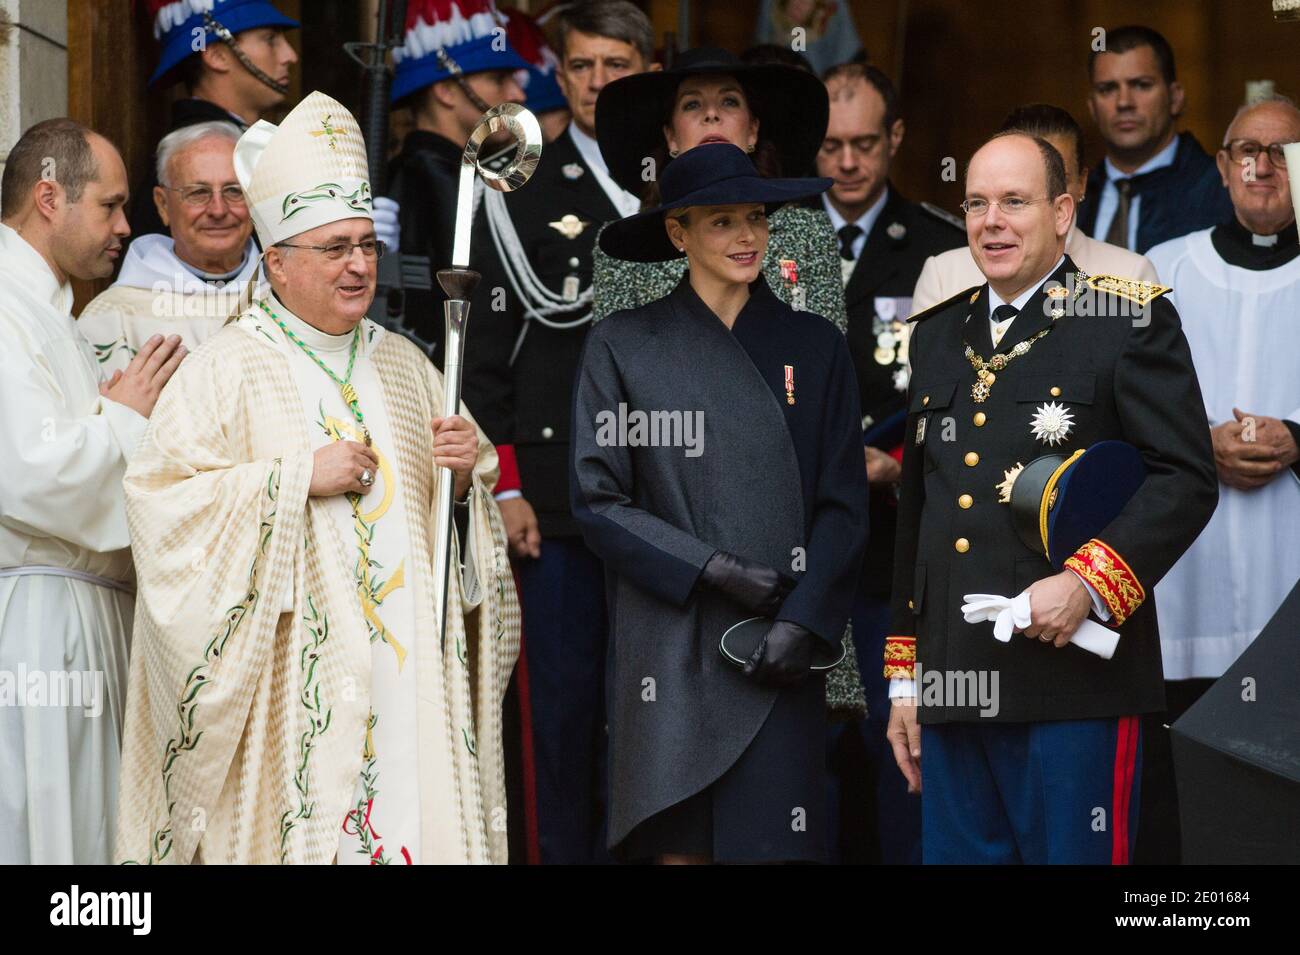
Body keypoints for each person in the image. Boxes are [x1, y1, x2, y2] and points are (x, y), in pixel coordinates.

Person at [113, 92, 520, 865]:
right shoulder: (223, 371)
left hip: (410, 691)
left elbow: (459, 560)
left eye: (366, 244)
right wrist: (293, 477)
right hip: (291, 703)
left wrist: (464, 483)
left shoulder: (408, 367)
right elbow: (161, 509)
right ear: (277, 264)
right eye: (334, 248)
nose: (360, 264)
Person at [885, 131, 1218, 864]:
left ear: (1063, 211)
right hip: (954, 681)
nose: (990, 221)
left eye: (1014, 201)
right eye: (975, 203)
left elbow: (1185, 476)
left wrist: (1087, 582)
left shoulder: (1125, 317)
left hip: (1074, 684)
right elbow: (920, 514)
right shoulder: (937, 336)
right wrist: (906, 678)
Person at [573, 143, 868, 863]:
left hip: (774, 645)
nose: (745, 237)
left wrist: (806, 620)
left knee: (776, 846)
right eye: (720, 222)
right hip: (667, 648)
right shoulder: (623, 343)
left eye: (756, 218)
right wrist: (714, 568)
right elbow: (596, 499)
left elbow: (844, 505)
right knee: (679, 851)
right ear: (678, 234)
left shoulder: (815, 344)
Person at [467, 0, 656, 865]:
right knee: (560, 719)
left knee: (657, 721)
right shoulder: (521, 184)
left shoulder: (682, 182)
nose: (595, 83)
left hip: (669, 500)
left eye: (614, 66)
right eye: (579, 66)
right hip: (559, 500)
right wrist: (503, 483)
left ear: (646, 72)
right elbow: (484, 352)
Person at [0, 118, 184, 864]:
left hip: (82, 610)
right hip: (39, 624)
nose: (125, 227)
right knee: (46, 825)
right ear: (50, 197)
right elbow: (28, 469)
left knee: (89, 835)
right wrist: (124, 417)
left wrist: (112, 416)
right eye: (109, 206)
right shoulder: (6, 311)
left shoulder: (52, 315)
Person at [810, 60, 964, 864]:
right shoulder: (772, 241)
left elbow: (964, 396)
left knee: (899, 748)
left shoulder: (942, 246)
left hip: (896, 552)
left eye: (865, 143)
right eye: (830, 144)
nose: (846, 162)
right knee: (807, 766)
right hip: (798, 548)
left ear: (896, 138)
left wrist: (896, 462)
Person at [1142, 95, 1300, 864]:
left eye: (1284, 151)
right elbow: (1113, 414)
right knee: (1183, 805)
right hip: (1187, 583)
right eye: (1247, 150)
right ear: (1221, 164)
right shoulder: (1161, 270)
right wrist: (1196, 442)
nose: (1263, 167)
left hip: (1288, 570)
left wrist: (1296, 438)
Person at [591, 47, 848, 334]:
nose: (712, 114)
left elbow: (826, 357)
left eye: (729, 101)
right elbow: (613, 361)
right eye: (692, 104)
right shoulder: (629, 247)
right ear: (671, 137)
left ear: (752, 130)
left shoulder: (810, 234)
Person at [912, 103, 1159, 311]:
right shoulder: (945, 275)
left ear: (1081, 184)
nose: (993, 220)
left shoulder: (1130, 275)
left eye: (1057, 177)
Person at [386, 0, 529, 354]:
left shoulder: (455, 171)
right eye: (498, 78)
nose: (517, 94)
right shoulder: (433, 177)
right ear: (446, 89)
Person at [79, 122, 258, 373]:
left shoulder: (286, 297)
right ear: (163, 205)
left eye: (234, 191)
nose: (218, 210)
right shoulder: (113, 315)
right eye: (198, 192)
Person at [132, 0, 301, 239]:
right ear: (216, 56)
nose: (290, 55)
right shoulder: (192, 155)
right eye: (270, 39)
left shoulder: (249, 143)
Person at [1077, 24, 1232, 253]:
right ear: (1092, 107)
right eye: (1108, 89)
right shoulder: (1073, 196)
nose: (1123, 102)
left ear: (1175, 98)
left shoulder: (1222, 188)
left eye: (1141, 85)